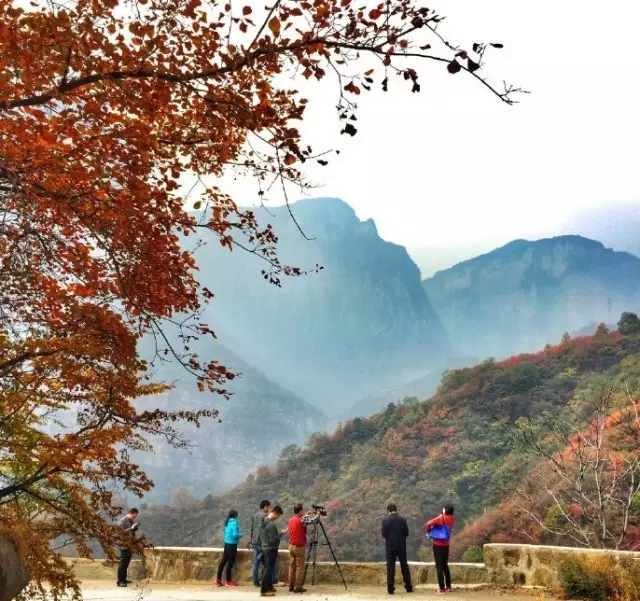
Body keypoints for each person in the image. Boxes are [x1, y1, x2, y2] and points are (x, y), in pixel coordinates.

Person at [381, 503, 413, 595]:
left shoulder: (385, 521)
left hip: (390, 547)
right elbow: (406, 533)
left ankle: (390, 588)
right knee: (404, 565)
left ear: (388, 511)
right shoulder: (402, 520)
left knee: (390, 567)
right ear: (396, 509)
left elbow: (383, 534)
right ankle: (408, 586)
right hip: (401, 546)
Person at [287, 504, 320, 593]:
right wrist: (318, 514)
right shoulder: (302, 520)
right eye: (302, 510)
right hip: (299, 547)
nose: (303, 511)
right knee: (300, 567)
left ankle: (291, 586)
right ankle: (298, 587)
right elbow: (314, 520)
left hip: (291, 546)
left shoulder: (291, 520)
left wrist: (306, 515)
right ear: (300, 511)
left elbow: (302, 520)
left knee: (292, 567)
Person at [425, 504, 455, 594]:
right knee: (445, 565)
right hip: (446, 544)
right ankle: (448, 586)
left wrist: (428, 532)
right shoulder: (451, 519)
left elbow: (428, 524)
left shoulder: (441, 518)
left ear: (445, 510)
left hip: (438, 544)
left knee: (439, 566)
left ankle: (442, 588)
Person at [258, 505, 286, 597]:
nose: (277, 518)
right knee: (269, 568)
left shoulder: (264, 520)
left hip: (264, 547)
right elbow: (274, 539)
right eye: (278, 516)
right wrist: (281, 534)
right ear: (275, 513)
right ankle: (264, 590)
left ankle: (269, 586)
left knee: (268, 567)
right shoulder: (271, 524)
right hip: (271, 549)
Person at [250, 500, 279, 588]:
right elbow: (263, 531)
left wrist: (251, 539)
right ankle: (273, 580)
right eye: (269, 507)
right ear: (265, 507)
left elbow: (252, 529)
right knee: (269, 562)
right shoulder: (265, 517)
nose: (269, 509)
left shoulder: (254, 515)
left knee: (256, 562)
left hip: (255, 542)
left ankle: (255, 582)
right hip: (262, 543)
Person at [215, 509, 241, 587]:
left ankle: (218, 579)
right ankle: (229, 581)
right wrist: (241, 535)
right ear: (235, 516)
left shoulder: (227, 522)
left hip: (226, 544)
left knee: (223, 561)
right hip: (232, 544)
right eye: (237, 515)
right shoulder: (234, 523)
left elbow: (226, 532)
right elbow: (235, 535)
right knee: (230, 563)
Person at [117, 508, 139, 587]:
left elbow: (129, 532)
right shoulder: (122, 521)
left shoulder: (130, 521)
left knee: (126, 563)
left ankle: (124, 579)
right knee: (122, 563)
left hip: (129, 545)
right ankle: (120, 581)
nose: (134, 518)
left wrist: (134, 529)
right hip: (123, 545)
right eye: (134, 516)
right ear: (131, 513)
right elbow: (120, 532)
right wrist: (131, 528)